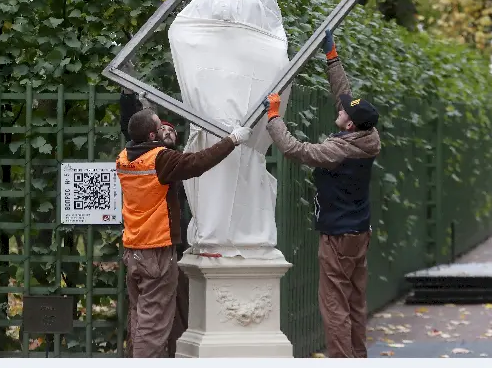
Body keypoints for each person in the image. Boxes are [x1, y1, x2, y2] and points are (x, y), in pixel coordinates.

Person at [262, 30, 381, 358]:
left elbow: (294, 149)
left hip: (338, 236)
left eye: (344, 112)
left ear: (349, 126)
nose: (340, 108)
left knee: (334, 306)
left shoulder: (337, 150)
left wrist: (274, 117)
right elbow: (346, 95)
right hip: (360, 231)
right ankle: (358, 357)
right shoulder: (368, 137)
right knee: (355, 301)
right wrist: (332, 58)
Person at [117, 88, 251, 358]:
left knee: (141, 318)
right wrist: (232, 140)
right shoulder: (161, 159)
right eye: (159, 124)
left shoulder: (125, 158)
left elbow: (135, 129)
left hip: (133, 250)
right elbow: (198, 162)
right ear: (153, 136)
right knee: (153, 325)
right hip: (156, 251)